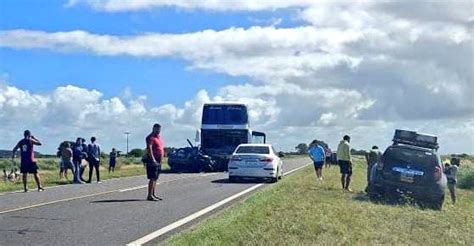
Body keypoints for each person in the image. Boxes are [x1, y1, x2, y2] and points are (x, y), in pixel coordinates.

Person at [145, 123, 165, 201]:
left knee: (156, 178)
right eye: (157, 129)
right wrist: (153, 159)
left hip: (159, 160)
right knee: (152, 178)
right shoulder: (150, 137)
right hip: (153, 160)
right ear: (153, 128)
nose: (158, 131)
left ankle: (153, 194)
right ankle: (149, 195)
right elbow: (149, 148)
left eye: (159, 129)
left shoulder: (158, 137)